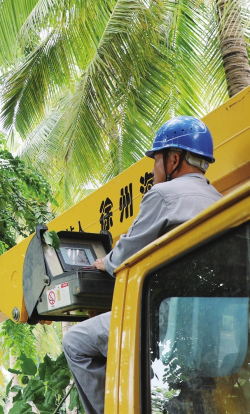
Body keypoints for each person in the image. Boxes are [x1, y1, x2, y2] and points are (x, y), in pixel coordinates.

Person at [62, 116, 222, 414]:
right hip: (206, 321)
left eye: (156, 160)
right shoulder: (219, 199)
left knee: (76, 342)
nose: (153, 170)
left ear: (174, 159)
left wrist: (104, 262)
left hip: (161, 317)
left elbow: (125, 255)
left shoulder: (162, 195)